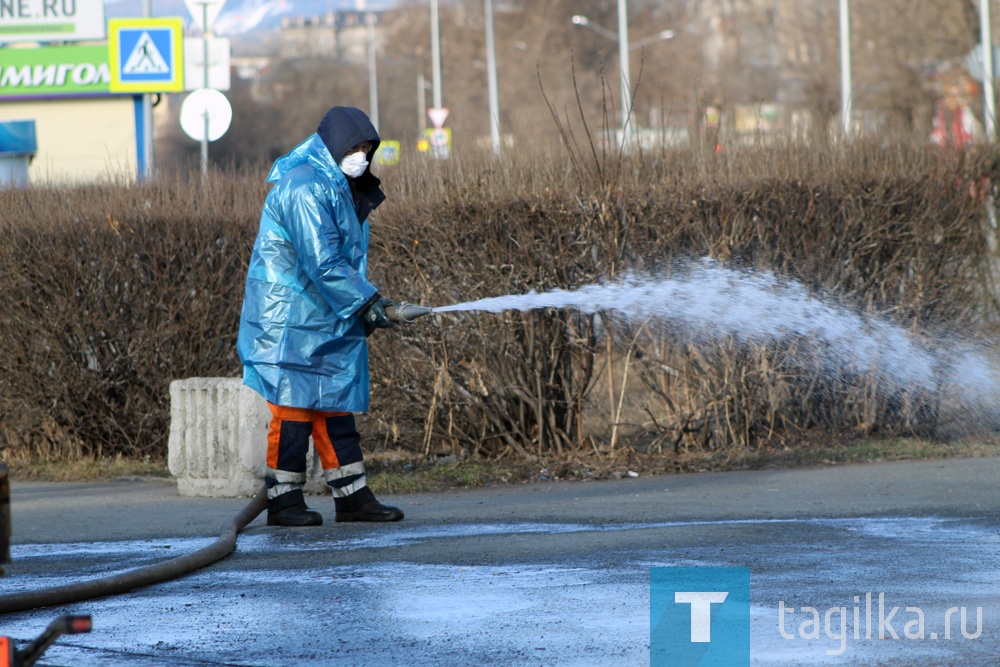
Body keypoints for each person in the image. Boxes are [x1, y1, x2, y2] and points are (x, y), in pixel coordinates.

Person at [237, 106, 404, 527]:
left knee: (334, 403)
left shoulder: (336, 182)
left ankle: (352, 497)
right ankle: (284, 501)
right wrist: (367, 303)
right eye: (354, 147)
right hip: (290, 316)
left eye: (367, 148)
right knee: (293, 407)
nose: (361, 156)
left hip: (321, 311)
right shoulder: (303, 185)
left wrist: (360, 301)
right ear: (333, 146)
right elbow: (323, 260)